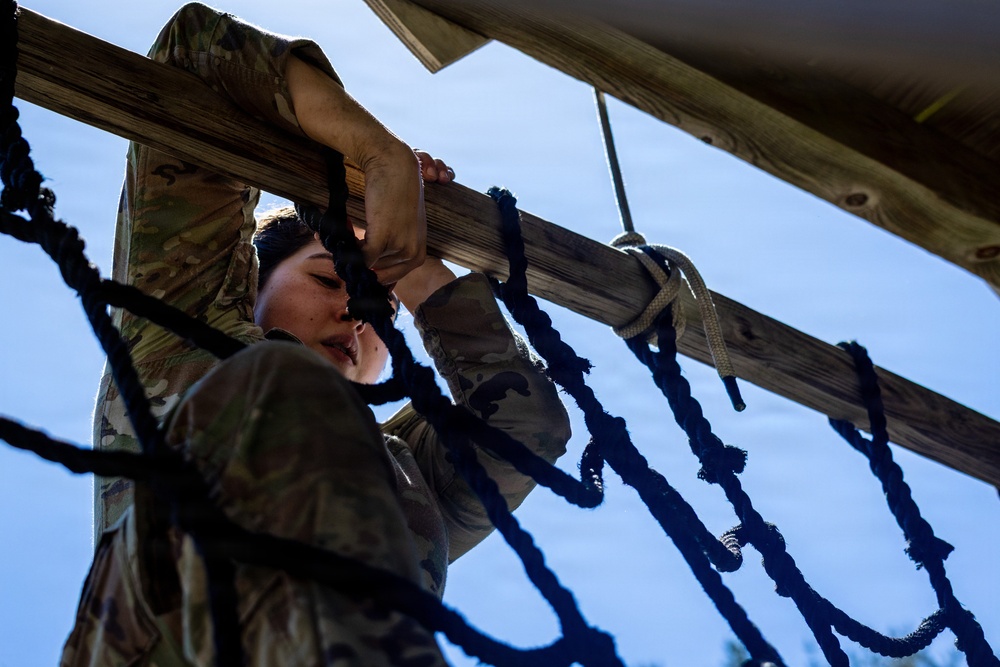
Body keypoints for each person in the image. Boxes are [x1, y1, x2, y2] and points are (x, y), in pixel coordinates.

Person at [59, 3, 570, 666]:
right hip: (159, 641)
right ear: (255, 282)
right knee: (287, 382)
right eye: (331, 280)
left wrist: (409, 261)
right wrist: (376, 155)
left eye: (378, 309)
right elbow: (195, 53)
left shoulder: (404, 472)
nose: (358, 315)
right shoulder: (178, 327)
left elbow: (526, 429)